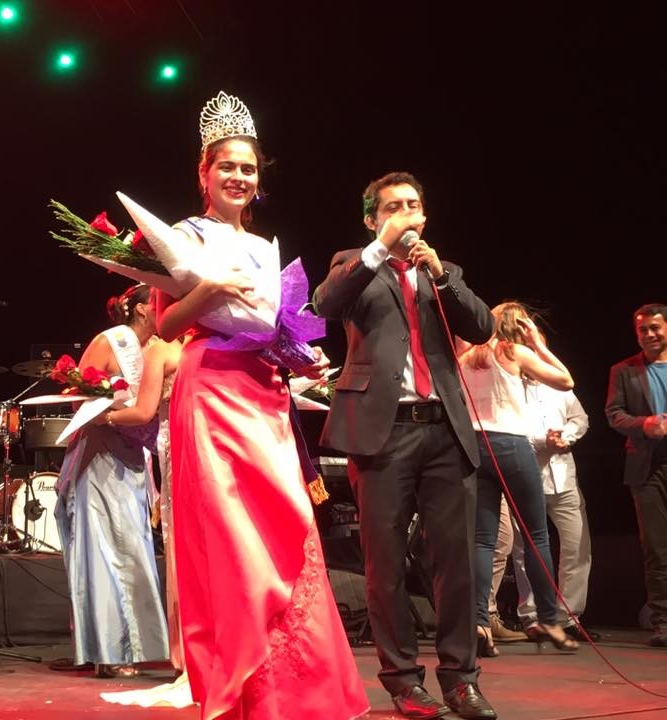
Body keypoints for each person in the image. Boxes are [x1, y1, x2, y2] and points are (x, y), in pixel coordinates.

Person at [157, 91, 369, 720]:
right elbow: (167, 328)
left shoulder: (266, 246)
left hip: (265, 395)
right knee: (231, 540)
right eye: (228, 166)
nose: (239, 178)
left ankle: (298, 688)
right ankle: (243, 691)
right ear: (204, 172)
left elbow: (272, 328)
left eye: (249, 169)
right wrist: (211, 290)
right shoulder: (183, 237)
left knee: (286, 528)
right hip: (212, 389)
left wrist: (299, 356)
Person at [314, 171, 496, 720]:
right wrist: (379, 248)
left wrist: (440, 275)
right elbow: (326, 304)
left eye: (414, 205)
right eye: (393, 207)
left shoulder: (443, 271)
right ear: (373, 219)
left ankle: (461, 680)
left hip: (445, 429)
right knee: (385, 563)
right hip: (383, 430)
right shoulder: (355, 263)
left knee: (456, 562)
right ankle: (402, 681)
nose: (406, 214)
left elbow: (483, 326)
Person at [52, 283, 169, 677]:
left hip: (133, 456)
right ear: (139, 309)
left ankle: (137, 646)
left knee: (133, 548)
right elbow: (75, 392)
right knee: (101, 550)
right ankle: (108, 651)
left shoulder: (160, 349)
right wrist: (107, 407)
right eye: (158, 303)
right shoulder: (111, 341)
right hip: (99, 454)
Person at [459, 302, 579, 658]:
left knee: (483, 539)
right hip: (510, 445)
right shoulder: (515, 352)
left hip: (474, 447)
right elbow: (566, 380)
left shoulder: (466, 356)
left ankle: (480, 621)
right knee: (535, 534)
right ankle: (548, 618)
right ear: (521, 327)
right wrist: (539, 346)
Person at [100, 313, 193, 708]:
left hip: (179, 445)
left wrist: (100, 416)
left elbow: (142, 412)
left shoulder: (163, 350)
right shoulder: (218, 343)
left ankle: (186, 652)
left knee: (181, 551)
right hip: (213, 444)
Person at [486, 383, 593, 642]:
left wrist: (566, 436)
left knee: (577, 547)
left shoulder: (559, 388)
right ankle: (533, 617)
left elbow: (580, 418)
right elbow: (506, 432)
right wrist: (542, 441)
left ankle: (567, 617)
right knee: (525, 550)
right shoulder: (508, 388)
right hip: (526, 476)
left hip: (564, 478)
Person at [605, 302, 667, 647]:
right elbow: (614, 415)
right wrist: (645, 424)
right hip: (646, 467)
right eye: (642, 330)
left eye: (655, 328)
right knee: (657, 549)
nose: (649, 335)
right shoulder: (624, 370)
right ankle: (663, 621)